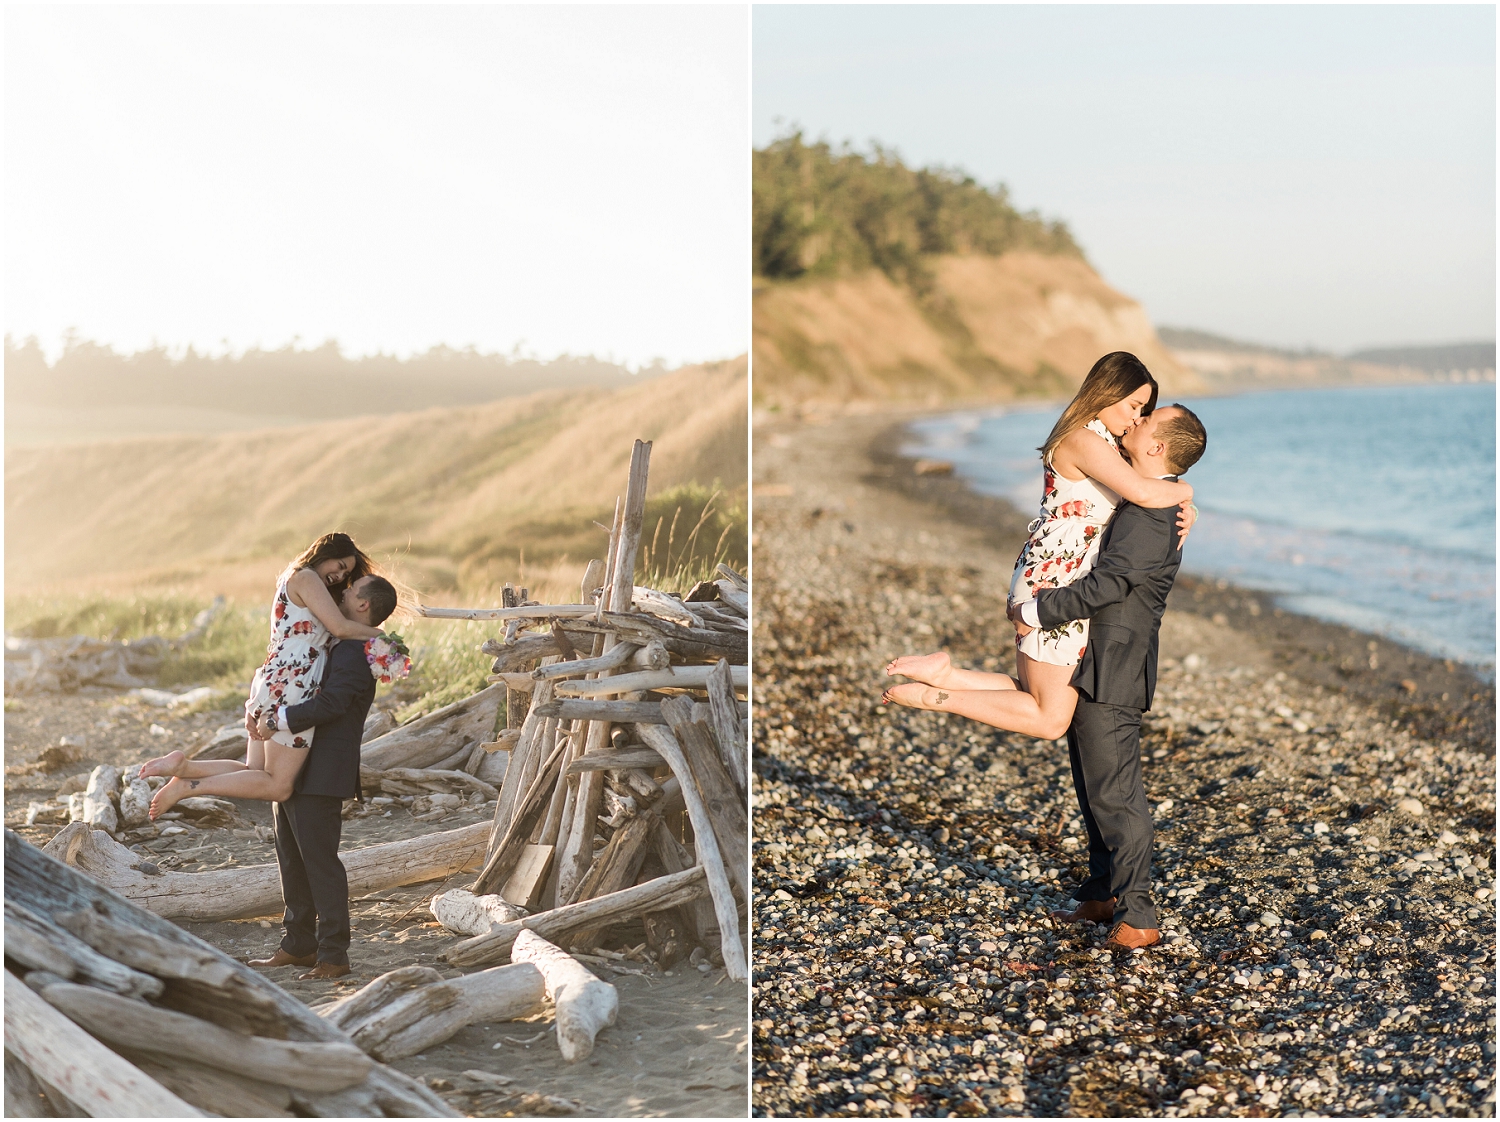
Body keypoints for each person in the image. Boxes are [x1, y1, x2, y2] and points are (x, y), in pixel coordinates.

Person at [881, 352, 1195, 739]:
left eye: (1143, 410)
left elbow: (1147, 484)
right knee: (1050, 719)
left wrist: (1181, 498)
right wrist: (1185, 490)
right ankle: (938, 697)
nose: (1136, 418)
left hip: (1052, 570)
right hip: (1058, 577)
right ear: (1107, 393)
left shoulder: (1105, 445)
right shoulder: (1084, 440)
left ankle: (946, 675)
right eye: (1134, 406)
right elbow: (1143, 491)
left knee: (1037, 696)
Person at [1013, 403, 1208, 950]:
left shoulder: (1151, 514)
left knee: (1117, 792)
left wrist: (1036, 609)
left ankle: (1140, 914)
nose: (1134, 422)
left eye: (1146, 420)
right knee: (1092, 786)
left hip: (1115, 665)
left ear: (1156, 449)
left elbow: (1112, 584)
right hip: (1096, 657)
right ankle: (1102, 892)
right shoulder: (1149, 499)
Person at [141, 532, 385, 815]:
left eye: (347, 573)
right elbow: (341, 628)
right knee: (278, 786)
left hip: (274, 678)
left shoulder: (292, 579)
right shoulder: (306, 578)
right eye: (340, 566)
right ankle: (187, 786)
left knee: (253, 770)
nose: (341, 576)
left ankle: (185, 767)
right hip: (296, 683)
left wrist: (256, 699)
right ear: (325, 553)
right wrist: (381, 636)